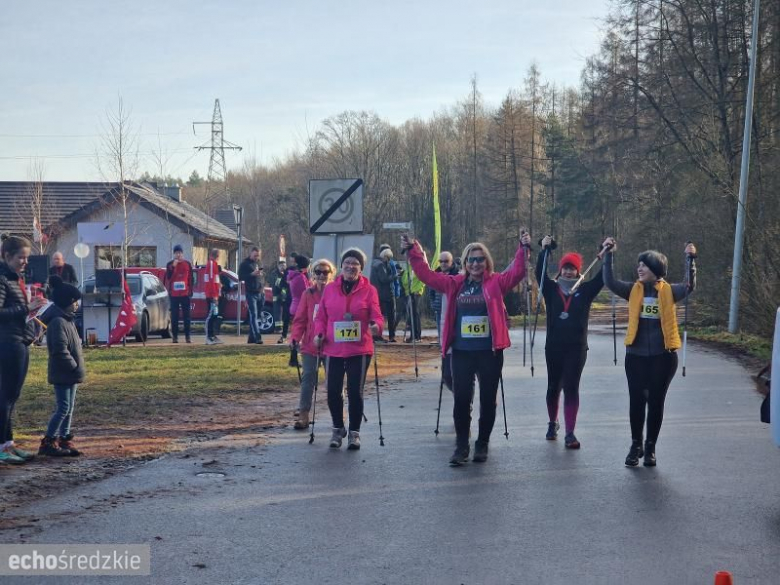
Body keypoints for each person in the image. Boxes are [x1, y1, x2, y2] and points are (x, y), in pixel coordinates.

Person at [405, 232, 531, 465]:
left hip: (489, 352)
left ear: (487, 262)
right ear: (464, 263)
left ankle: (482, 443)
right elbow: (425, 275)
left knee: (488, 399)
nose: (475, 264)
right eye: (471, 260)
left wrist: (523, 248)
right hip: (462, 352)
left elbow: (518, 272)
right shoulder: (454, 283)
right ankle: (461, 446)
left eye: (480, 259)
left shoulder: (496, 282)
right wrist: (414, 250)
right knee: (461, 399)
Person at [602, 237, 697, 467]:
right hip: (635, 356)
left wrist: (690, 259)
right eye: (639, 265)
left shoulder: (670, 291)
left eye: (644, 265)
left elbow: (689, 285)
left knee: (655, 402)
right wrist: (608, 255)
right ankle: (636, 445)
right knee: (636, 401)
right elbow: (610, 282)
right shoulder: (632, 289)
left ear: (656, 268)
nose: (640, 268)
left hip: (663, 357)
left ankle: (651, 447)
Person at [537, 236, 606, 449]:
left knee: (571, 388)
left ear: (578, 271)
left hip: (576, 348)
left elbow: (603, 278)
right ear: (560, 270)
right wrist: (545, 249)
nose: (568, 272)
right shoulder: (550, 289)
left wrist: (607, 253)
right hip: (554, 347)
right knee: (553, 387)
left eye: (572, 269)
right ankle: (552, 423)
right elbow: (539, 272)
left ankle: (570, 433)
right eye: (565, 268)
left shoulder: (585, 291)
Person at [314, 248, 383, 451]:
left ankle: (354, 433)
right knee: (333, 391)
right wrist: (319, 334)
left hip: (359, 349)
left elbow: (377, 315)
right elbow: (321, 317)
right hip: (333, 348)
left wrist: (376, 326)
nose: (350, 267)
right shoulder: (330, 289)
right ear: (341, 266)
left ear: (361, 268)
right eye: (347, 263)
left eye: (355, 264)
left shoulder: (369, 290)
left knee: (355, 392)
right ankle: (338, 429)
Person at [0, 235, 46, 464]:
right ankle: (1, 446)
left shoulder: (14, 278)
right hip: (8, 342)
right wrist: (26, 308)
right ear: (7, 256)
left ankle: (8, 443)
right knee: (5, 396)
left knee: (12, 396)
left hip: (20, 340)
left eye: (27, 258)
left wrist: (32, 312)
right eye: (21, 258)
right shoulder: (2, 280)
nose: (25, 262)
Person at [38, 275, 85, 457]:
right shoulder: (58, 322)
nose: (77, 304)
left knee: (69, 408)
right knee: (63, 407)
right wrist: (73, 366)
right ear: (66, 302)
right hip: (63, 373)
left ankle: (64, 438)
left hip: (71, 373)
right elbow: (59, 350)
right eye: (74, 301)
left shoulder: (68, 320)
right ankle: (49, 440)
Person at [289, 258, 335, 430]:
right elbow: (300, 319)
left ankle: (337, 415)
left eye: (325, 272)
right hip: (310, 344)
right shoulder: (307, 294)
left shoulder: (336, 293)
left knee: (334, 381)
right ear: (313, 274)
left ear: (331, 274)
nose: (322, 275)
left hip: (332, 345)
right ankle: (303, 414)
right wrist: (295, 338)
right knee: (308, 378)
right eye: (318, 272)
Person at [428, 251, 459, 391]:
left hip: (453, 313)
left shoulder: (457, 275)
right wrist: (434, 305)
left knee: (453, 341)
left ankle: (455, 369)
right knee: (443, 341)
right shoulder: (436, 275)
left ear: (451, 262)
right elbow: (431, 293)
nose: (443, 264)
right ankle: (446, 371)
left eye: (446, 261)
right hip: (439, 313)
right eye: (441, 261)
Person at [164, 244, 194, 344]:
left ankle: (188, 337)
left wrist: (190, 291)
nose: (178, 255)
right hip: (174, 295)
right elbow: (168, 277)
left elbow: (191, 278)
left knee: (187, 316)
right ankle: (175, 337)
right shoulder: (170, 264)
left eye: (180, 253)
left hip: (185, 294)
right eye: (176, 253)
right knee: (174, 317)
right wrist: (173, 266)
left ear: (182, 254)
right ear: (174, 254)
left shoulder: (187, 264)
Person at [370, 246, 399, 342]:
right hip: (385, 294)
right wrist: (395, 276)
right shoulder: (380, 265)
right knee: (390, 315)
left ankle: (376, 335)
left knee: (378, 315)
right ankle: (390, 336)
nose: (389, 260)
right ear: (386, 256)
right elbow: (384, 279)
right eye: (389, 258)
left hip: (377, 294)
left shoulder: (373, 263)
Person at [238, 247, 265, 344]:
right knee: (253, 315)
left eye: (258, 256)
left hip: (260, 292)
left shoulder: (259, 263)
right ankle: (258, 337)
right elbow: (240, 277)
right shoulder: (245, 264)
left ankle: (251, 338)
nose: (256, 257)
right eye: (255, 255)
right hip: (251, 293)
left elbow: (262, 276)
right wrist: (251, 274)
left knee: (257, 315)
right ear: (251, 254)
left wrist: (263, 286)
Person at [400, 262, 425, 342]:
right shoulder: (408, 269)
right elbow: (404, 281)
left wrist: (419, 290)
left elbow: (423, 280)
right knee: (411, 315)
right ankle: (413, 336)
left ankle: (417, 336)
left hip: (416, 293)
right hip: (409, 294)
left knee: (415, 314)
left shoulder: (419, 268)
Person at [204, 248, 222, 345]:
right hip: (211, 295)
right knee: (211, 315)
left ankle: (212, 335)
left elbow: (215, 280)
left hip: (214, 295)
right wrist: (214, 295)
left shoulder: (214, 264)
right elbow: (211, 280)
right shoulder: (211, 264)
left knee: (215, 314)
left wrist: (218, 290)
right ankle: (208, 337)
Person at [288, 254, 311, 320]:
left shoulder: (296, 275)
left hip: (296, 307)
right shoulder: (301, 278)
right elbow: (307, 292)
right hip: (300, 308)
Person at [269, 259, 287, 332]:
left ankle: (284, 327)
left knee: (285, 313)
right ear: (278, 266)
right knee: (278, 313)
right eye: (281, 266)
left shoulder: (287, 273)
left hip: (285, 296)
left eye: (284, 266)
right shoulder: (274, 274)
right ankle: (278, 328)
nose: (283, 267)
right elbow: (276, 284)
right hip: (277, 296)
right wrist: (283, 279)